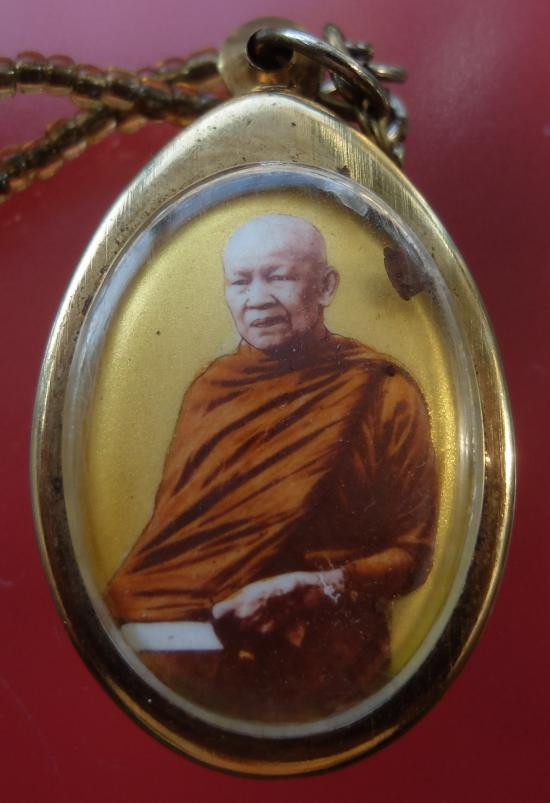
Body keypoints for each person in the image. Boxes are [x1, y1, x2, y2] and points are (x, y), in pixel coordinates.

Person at [105, 214, 437, 722]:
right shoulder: (211, 391)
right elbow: (175, 549)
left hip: (330, 664)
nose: (257, 299)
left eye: (278, 277)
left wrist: (316, 588)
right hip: (198, 644)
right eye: (240, 282)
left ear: (326, 287)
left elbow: (413, 557)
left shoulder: (383, 390)